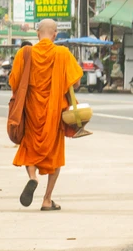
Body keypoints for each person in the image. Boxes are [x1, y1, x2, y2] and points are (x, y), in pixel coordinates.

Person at [11, 19, 84, 211]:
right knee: (55, 155)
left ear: (37, 34)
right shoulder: (62, 54)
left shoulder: (25, 53)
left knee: (29, 149)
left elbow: (14, 82)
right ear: (55, 34)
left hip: (32, 112)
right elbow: (76, 83)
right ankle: (47, 199)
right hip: (54, 112)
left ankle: (33, 177)